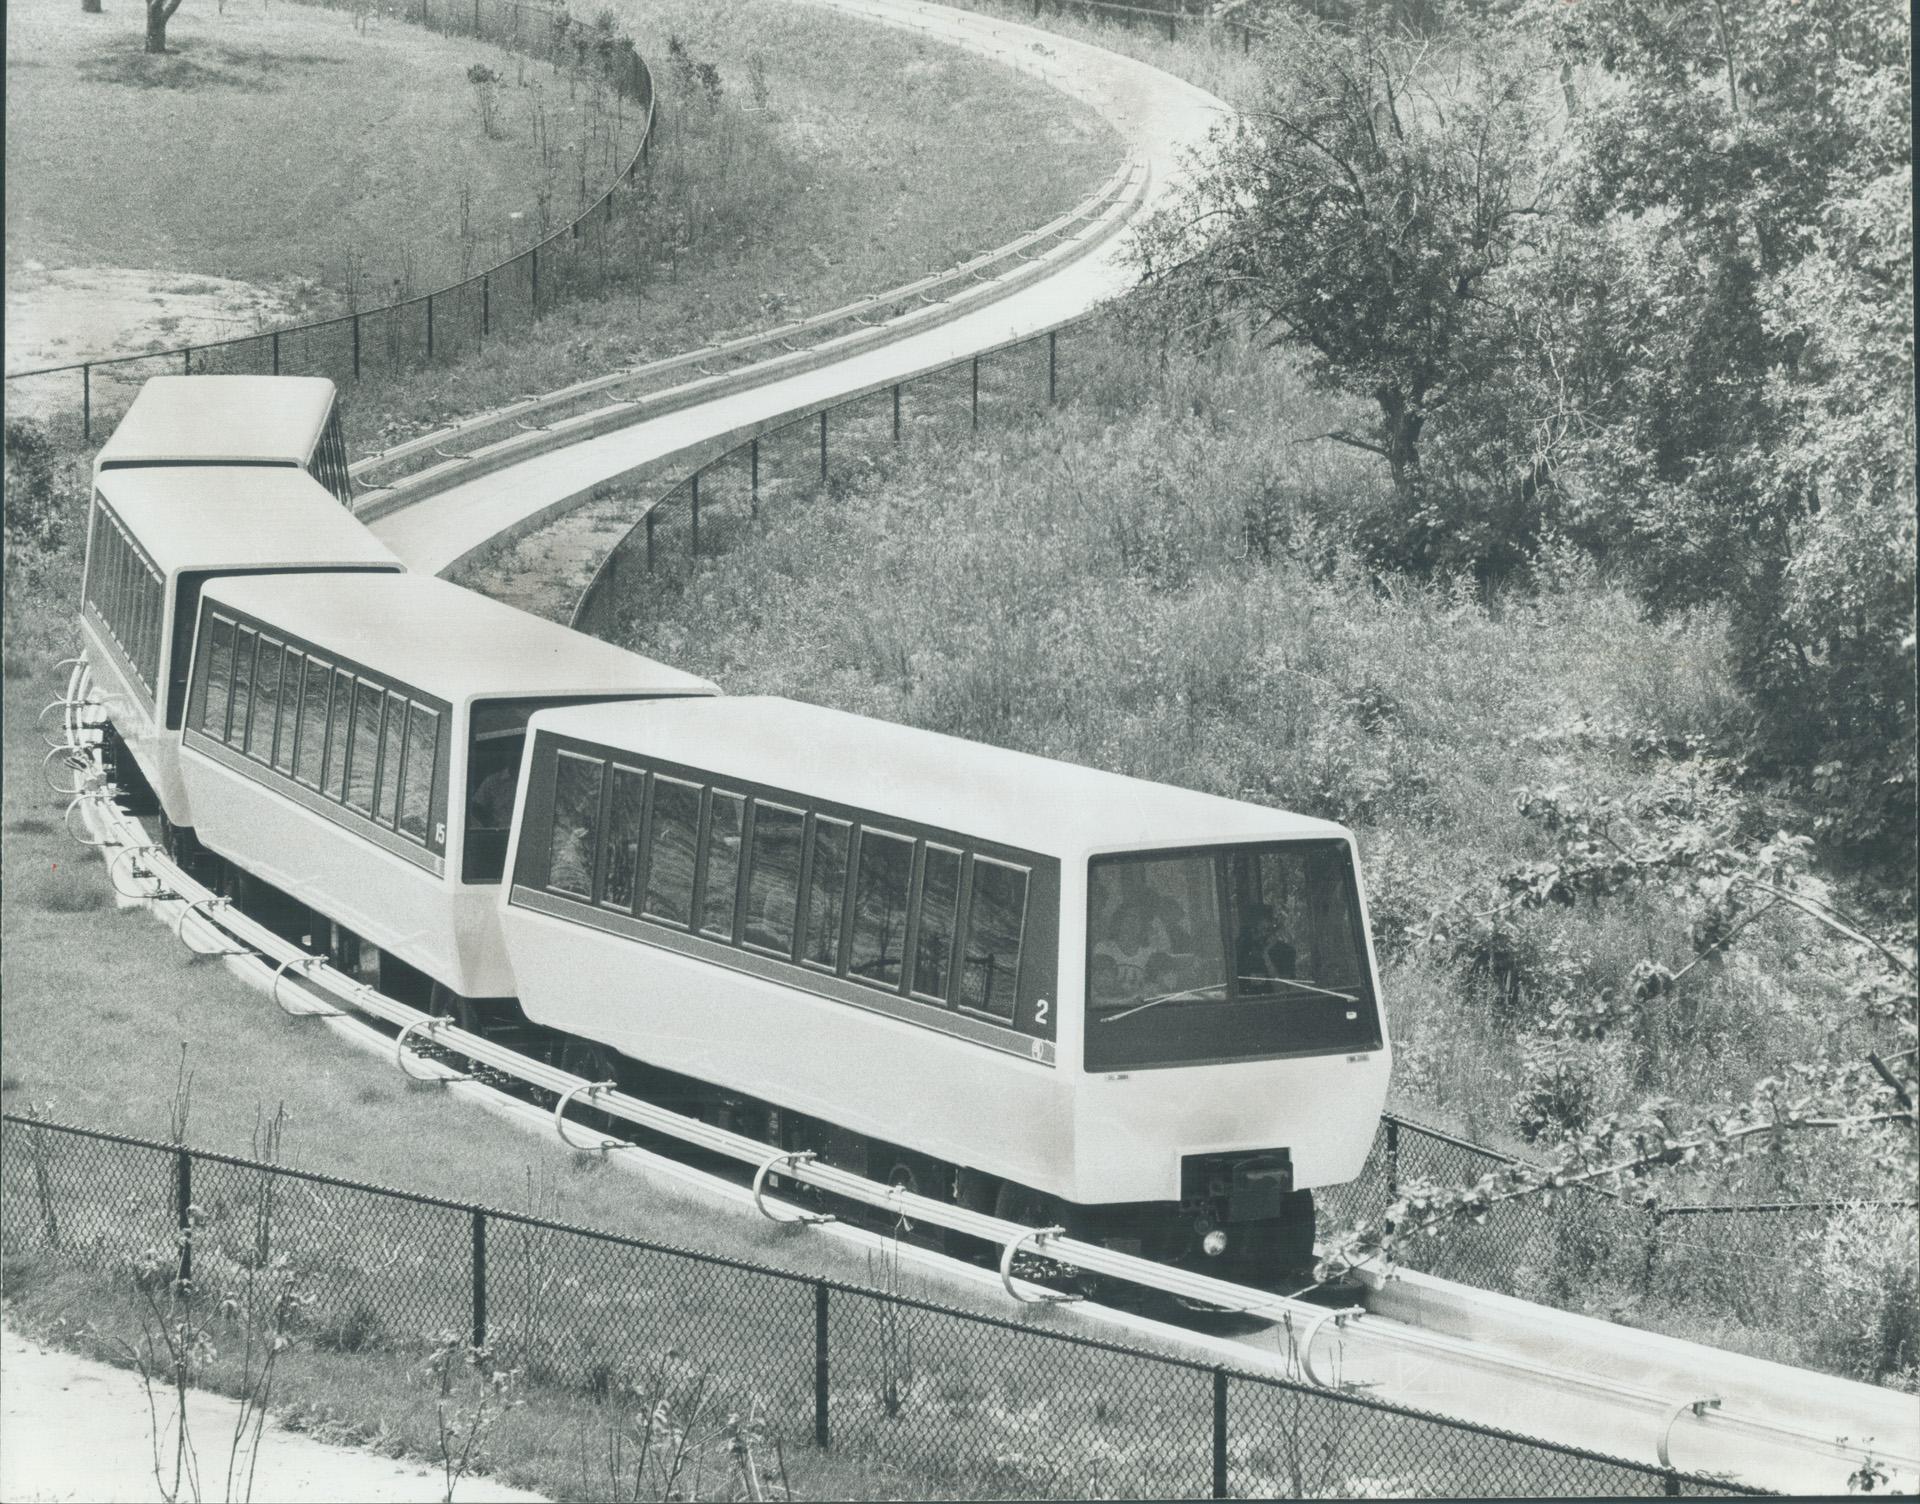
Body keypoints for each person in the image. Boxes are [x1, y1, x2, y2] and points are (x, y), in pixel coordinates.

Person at [1236, 902, 1298, 995]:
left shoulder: (1286, 952)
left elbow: (1283, 991)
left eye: (1265, 930)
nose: (1261, 935)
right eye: (1256, 930)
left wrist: (1266, 956)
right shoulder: (1240, 952)